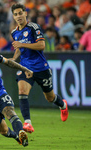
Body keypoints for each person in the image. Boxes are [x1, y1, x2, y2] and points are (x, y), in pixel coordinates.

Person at [10, 3, 69, 133]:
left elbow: (41, 45)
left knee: (50, 97)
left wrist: (23, 44)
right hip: (25, 67)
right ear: (13, 17)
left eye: (20, 13)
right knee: (22, 91)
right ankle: (28, 123)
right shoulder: (14, 32)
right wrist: (14, 59)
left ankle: (63, 104)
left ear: (25, 13)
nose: (18, 16)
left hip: (40, 67)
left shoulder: (33, 27)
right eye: (16, 14)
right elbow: (19, 49)